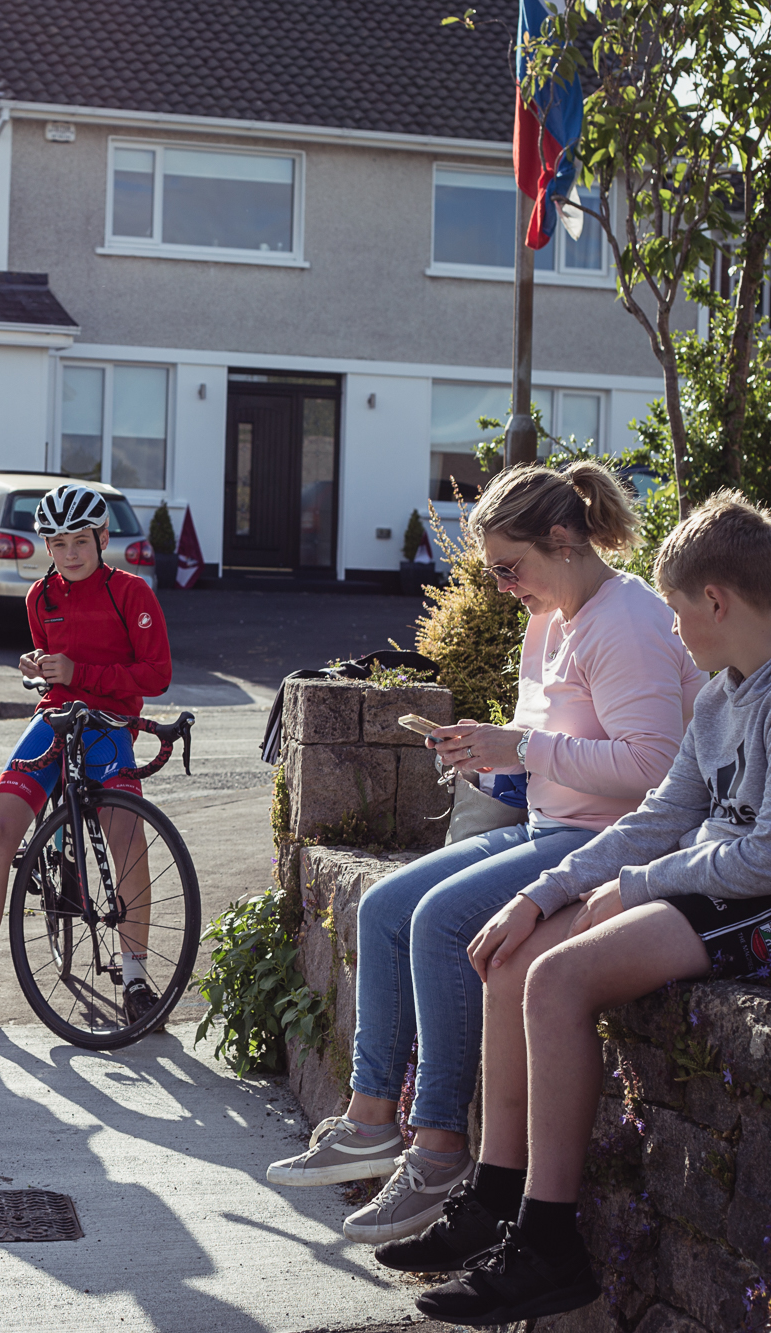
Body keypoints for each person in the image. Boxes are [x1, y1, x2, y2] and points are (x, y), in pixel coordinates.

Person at [408, 490, 771, 1326]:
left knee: (559, 980)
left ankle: (547, 1243)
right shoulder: (721, 696)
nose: (670, 631)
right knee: (518, 954)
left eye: (674, 610)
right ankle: (498, 1196)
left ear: (717, 600)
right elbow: (656, 820)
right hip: (732, 890)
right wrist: (540, 893)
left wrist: (637, 886)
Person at [267, 461, 705, 1248]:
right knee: (383, 903)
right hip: (552, 826)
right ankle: (371, 1116)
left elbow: (653, 766)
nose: (503, 586)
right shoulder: (550, 620)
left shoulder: (628, 620)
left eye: (510, 567)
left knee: (438, 920)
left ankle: (436, 1147)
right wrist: (488, 757)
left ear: (564, 539)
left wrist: (523, 745)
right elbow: (547, 755)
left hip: (609, 841)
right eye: (493, 571)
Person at [0, 482, 172, 1030]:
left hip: (110, 722)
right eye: (58, 544)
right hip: (56, 716)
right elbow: (52, 674)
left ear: (103, 537)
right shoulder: (40, 597)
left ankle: (135, 979)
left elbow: (157, 675)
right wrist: (37, 666)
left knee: (127, 837)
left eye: (81, 542)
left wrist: (80, 673)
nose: (70, 554)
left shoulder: (132, 592)